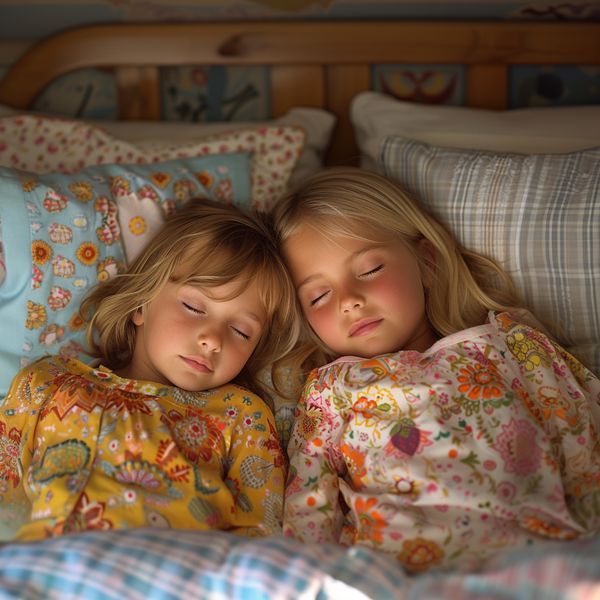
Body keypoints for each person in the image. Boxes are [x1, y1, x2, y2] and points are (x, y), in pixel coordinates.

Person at [271, 166, 600, 573]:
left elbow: (581, 436)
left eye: (370, 270)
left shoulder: (511, 343)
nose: (349, 300)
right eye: (319, 295)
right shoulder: (330, 388)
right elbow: (308, 500)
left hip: (534, 558)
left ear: (426, 262)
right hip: (396, 572)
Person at [0, 199, 300, 542]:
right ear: (142, 303)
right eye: (193, 306)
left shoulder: (242, 415)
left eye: (241, 331)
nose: (213, 340)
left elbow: (262, 531)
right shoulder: (49, 381)